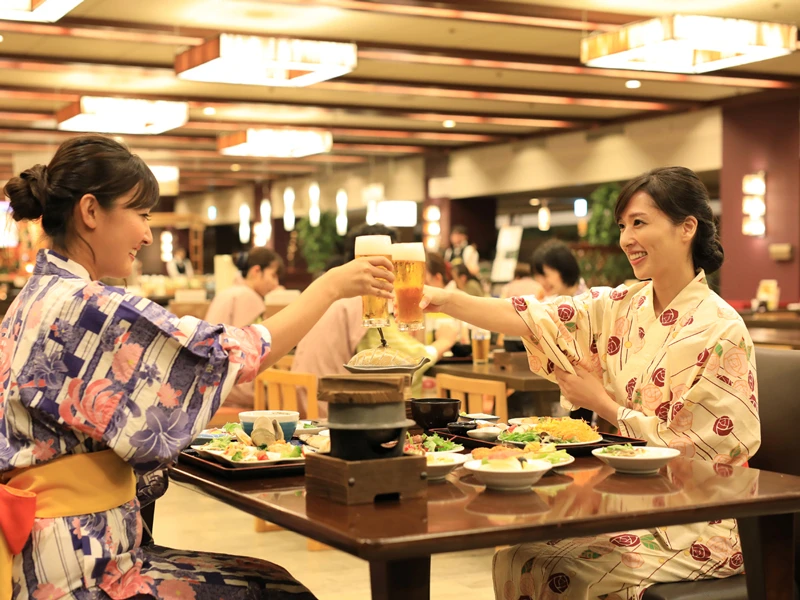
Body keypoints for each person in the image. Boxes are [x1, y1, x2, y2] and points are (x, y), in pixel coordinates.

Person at [0, 135, 394, 600]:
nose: (148, 234)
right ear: (90, 211)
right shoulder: (87, 305)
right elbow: (231, 355)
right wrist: (328, 288)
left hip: (48, 550)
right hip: (82, 569)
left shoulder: (37, 296)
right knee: (274, 590)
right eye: (141, 214)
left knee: (267, 578)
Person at [420, 166, 759, 599]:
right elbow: (534, 315)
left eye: (639, 222)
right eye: (622, 226)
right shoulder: (622, 304)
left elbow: (710, 455)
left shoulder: (722, 329)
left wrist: (605, 405)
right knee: (517, 555)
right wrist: (447, 300)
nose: (626, 238)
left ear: (686, 228)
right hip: (628, 502)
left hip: (702, 518)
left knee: (563, 571)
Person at [292, 225, 458, 416]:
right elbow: (401, 362)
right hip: (334, 412)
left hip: (304, 405)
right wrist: (443, 342)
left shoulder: (330, 295)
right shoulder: (364, 300)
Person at [205, 247, 284, 328]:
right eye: (273, 276)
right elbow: (251, 335)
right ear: (256, 271)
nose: (276, 283)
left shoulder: (230, 292)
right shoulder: (247, 295)